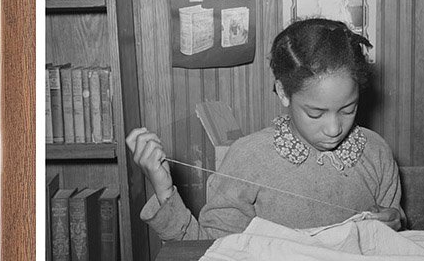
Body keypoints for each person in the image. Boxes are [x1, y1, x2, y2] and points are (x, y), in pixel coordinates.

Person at [125, 17, 404, 241]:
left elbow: (394, 238)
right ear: (283, 92)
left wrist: (393, 223)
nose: (334, 128)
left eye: (348, 109)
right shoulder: (248, 159)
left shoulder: (375, 152)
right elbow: (207, 254)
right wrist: (164, 190)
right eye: (315, 113)